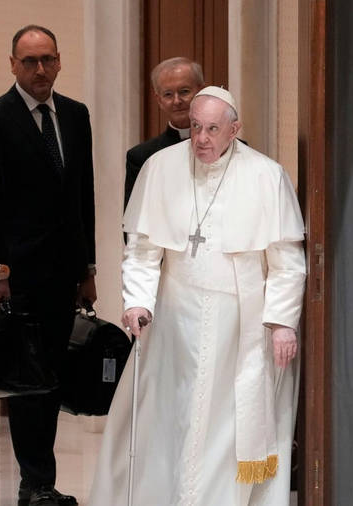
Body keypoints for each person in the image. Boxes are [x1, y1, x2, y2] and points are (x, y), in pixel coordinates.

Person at [89, 87, 306, 506]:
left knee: (227, 423)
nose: (201, 139)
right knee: (171, 419)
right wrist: (137, 301)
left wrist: (282, 323)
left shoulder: (266, 175)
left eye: (212, 129)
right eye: (195, 127)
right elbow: (143, 249)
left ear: (234, 130)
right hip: (173, 319)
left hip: (241, 324)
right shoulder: (160, 167)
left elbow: (286, 261)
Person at [0, 24, 96, 506]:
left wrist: (88, 270)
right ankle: (34, 483)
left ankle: (41, 483)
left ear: (59, 61)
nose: (40, 70)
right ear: (12, 64)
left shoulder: (75, 115)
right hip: (18, 277)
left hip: (64, 275)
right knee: (27, 384)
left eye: (47, 60)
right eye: (30, 61)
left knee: (53, 380)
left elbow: (83, 198)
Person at [124, 57, 205, 208]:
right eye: (168, 94)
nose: (177, 101)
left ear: (200, 91)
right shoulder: (142, 157)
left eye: (184, 91)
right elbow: (133, 223)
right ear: (159, 100)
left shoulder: (230, 148)